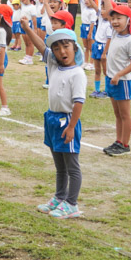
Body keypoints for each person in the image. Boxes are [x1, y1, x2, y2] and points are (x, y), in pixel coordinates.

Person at [26, 28, 86, 219]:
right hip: (52, 118)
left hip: (67, 121)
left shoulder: (77, 73)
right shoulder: (53, 65)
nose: (62, 52)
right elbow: (41, 46)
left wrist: (71, 127)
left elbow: (78, 103)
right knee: (59, 165)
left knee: (71, 166)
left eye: (66, 46)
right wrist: (27, 28)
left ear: (75, 48)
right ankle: (60, 197)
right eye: (57, 48)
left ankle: (72, 203)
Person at [102, 0, 131, 156]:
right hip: (112, 80)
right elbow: (110, 7)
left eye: (119, 18)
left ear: (128, 20)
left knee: (125, 114)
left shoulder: (130, 41)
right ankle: (118, 141)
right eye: (113, 18)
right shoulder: (115, 34)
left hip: (122, 81)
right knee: (117, 114)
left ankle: (125, 144)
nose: (115, 21)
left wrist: (118, 75)